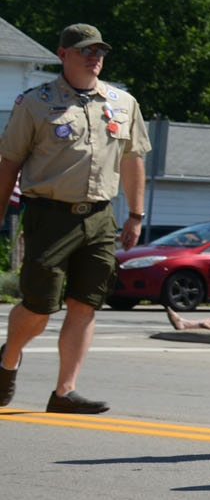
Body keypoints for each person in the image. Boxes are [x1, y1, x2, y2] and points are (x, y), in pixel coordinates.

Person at [0, 24, 150, 414]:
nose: (94, 57)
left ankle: (64, 392)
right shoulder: (35, 103)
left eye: (99, 51)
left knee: (86, 303)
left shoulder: (122, 102)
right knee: (39, 305)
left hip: (100, 216)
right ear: (62, 54)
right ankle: (8, 358)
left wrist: (135, 215)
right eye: (85, 50)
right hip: (49, 215)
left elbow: (132, 160)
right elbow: (9, 163)